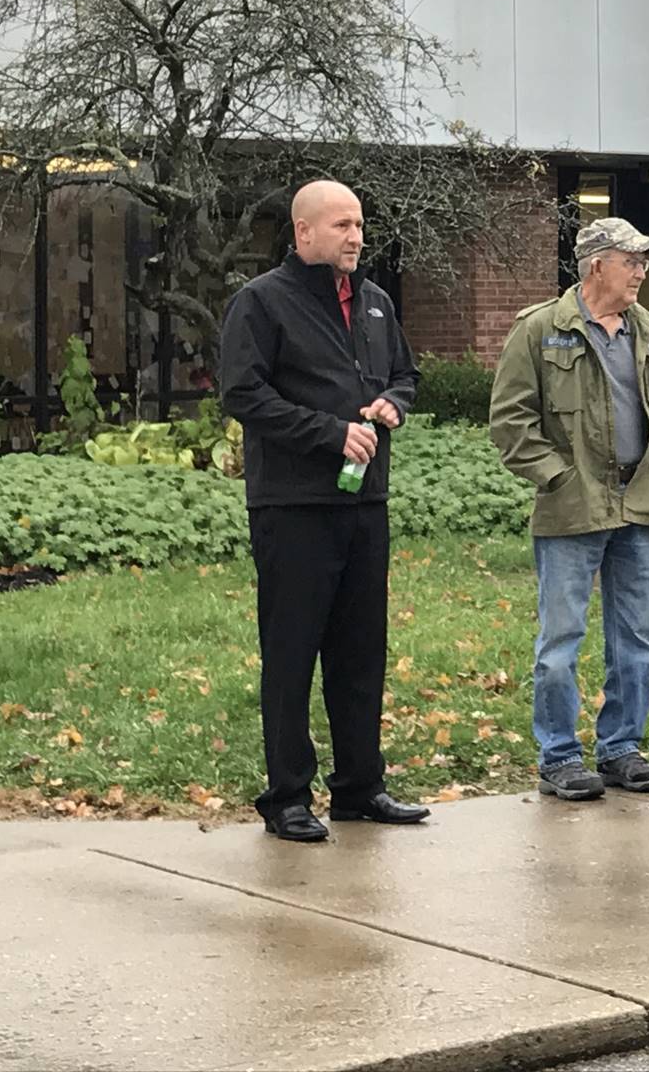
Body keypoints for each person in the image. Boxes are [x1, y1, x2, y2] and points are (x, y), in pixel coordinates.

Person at [218, 180, 427, 842]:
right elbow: (243, 394)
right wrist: (329, 432)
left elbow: (405, 374)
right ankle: (286, 796)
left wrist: (393, 402)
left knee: (361, 651)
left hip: (365, 503)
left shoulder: (374, 303)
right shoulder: (260, 303)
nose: (355, 236)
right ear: (304, 233)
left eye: (360, 224)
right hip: (295, 507)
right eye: (341, 225)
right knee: (291, 653)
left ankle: (360, 787)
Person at [488, 217, 649, 800]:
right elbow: (510, 421)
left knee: (636, 637)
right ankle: (559, 756)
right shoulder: (540, 330)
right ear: (595, 265)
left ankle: (622, 749)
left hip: (640, 506)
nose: (641, 270)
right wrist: (557, 477)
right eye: (630, 260)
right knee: (560, 641)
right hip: (572, 508)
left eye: (643, 260)